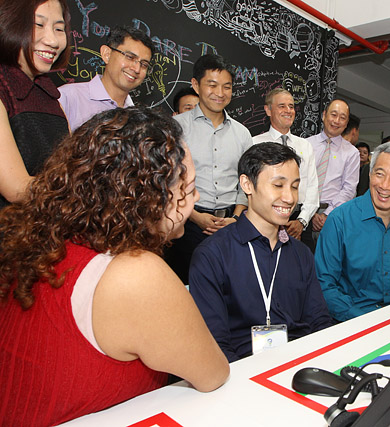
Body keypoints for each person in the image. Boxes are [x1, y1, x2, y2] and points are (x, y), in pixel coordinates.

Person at [0, 107, 229, 427]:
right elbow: (213, 373)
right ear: (149, 199)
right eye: (189, 188)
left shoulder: (43, 239)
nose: (197, 196)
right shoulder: (136, 274)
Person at [190, 142, 332, 362]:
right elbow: (214, 343)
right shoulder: (213, 255)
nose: (289, 198)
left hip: (300, 364)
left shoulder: (301, 254)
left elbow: (319, 322)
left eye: (294, 186)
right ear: (247, 184)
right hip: (240, 372)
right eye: (278, 185)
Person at [315, 141, 390, 322]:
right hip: (349, 320)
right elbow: (325, 285)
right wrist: (367, 321)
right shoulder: (340, 220)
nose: (385, 185)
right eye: (380, 174)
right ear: (369, 174)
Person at [166, 54, 252, 285]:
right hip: (186, 225)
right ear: (196, 85)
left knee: (227, 287)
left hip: (230, 225)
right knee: (187, 289)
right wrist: (194, 216)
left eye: (227, 87)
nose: (220, 93)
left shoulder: (242, 134)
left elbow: (245, 182)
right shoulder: (176, 127)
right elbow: (166, 180)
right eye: (212, 85)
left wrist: (236, 217)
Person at [0, 0, 71, 209]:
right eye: (38, 25)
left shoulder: (49, 92)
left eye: (59, 29)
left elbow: (67, 165)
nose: (52, 40)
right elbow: (17, 189)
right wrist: (81, 192)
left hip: (43, 232)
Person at [253, 87, 319, 246]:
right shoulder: (255, 144)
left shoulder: (305, 145)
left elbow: (312, 187)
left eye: (291, 106)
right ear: (268, 110)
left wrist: (301, 222)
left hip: (299, 223)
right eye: (282, 106)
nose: (288, 110)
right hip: (265, 219)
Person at [58, 26, 154, 131]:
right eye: (130, 57)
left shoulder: (138, 117)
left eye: (144, 64)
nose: (136, 69)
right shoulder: (68, 97)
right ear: (106, 54)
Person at [306, 99, 360, 250]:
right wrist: (309, 211)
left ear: (347, 122)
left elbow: (349, 189)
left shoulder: (352, 153)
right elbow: (299, 181)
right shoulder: (305, 145)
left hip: (334, 215)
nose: (337, 121)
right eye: (333, 114)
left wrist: (326, 215)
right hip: (302, 213)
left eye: (342, 117)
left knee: (327, 264)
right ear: (324, 115)